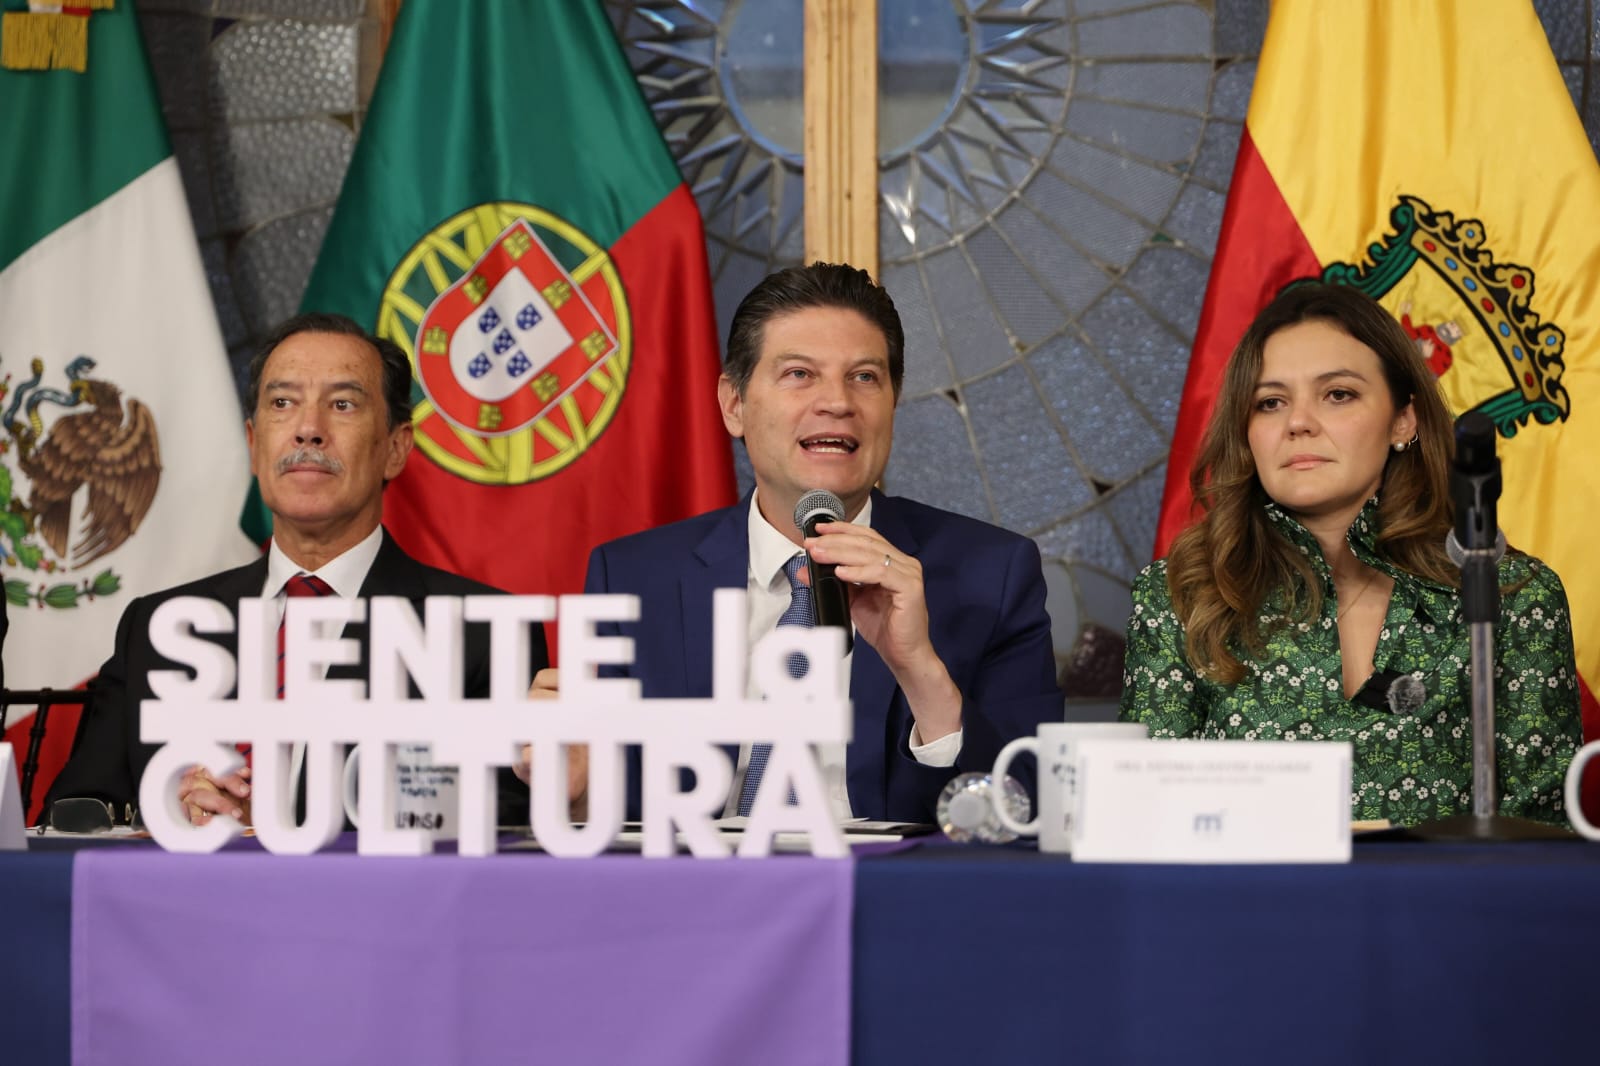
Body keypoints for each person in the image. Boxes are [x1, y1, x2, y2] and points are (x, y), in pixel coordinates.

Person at [525, 262, 1062, 823]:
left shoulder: (992, 575)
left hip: (887, 878)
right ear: (734, 404)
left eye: (864, 377)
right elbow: (618, 817)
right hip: (703, 875)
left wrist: (921, 672)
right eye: (800, 374)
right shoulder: (635, 579)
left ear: (893, 402)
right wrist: (579, 794)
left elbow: (1026, 811)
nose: (837, 402)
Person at [45, 312, 552, 826]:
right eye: (282, 403)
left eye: (342, 404)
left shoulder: (483, 631)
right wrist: (163, 813)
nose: (308, 430)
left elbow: (507, 825)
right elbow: (73, 814)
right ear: (253, 444)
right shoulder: (156, 628)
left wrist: (273, 822)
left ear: (395, 448)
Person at [1120, 282, 1580, 826]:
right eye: (1270, 403)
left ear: (1402, 420)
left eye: (1337, 394)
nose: (1297, 422)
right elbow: (1141, 822)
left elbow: (1540, 840)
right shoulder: (1182, 591)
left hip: (1448, 887)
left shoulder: (1511, 594)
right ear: (1247, 432)